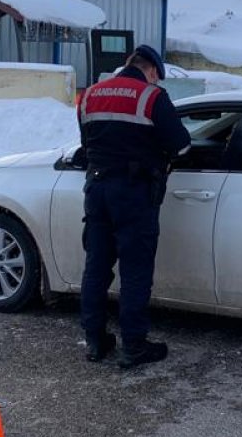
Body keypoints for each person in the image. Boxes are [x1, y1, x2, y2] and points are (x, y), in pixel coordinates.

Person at [77, 44, 190, 368]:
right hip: (134, 193)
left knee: (96, 268)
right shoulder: (151, 97)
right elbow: (181, 146)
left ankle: (96, 342)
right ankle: (134, 346)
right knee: (135, 270)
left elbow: (87, 144)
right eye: (157, 77)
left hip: (96, 189)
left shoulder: (90, 95)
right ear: (152, 70)